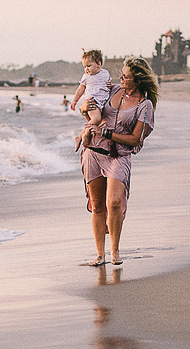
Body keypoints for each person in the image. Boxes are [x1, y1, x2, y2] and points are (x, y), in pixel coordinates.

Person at [78, 57, 157, 269]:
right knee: (97, 205)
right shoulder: (111, 90)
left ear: (138, 80)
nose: (120, 78)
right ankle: (99, 255)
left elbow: (135, 139)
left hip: (118, 155)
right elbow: (87, 108)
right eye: (121, 74)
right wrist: (83, 106)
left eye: (126, 76)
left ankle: (115, 251)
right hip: (93, 152)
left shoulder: (145, 106)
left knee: (113, 202)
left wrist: (108, 133)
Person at [71, 49, 112, 152]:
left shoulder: (105, 73)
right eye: (84, 67)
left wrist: (109, 85)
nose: (86, 69)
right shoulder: (86, 77)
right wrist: (75, 101)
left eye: (89, 66)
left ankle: (79, 137)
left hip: (102, 102)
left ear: (98, 64)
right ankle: (85, 135)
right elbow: (80, 89)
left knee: (99, 122)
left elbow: (108, 84)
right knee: (96, 119)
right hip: (92, 102)